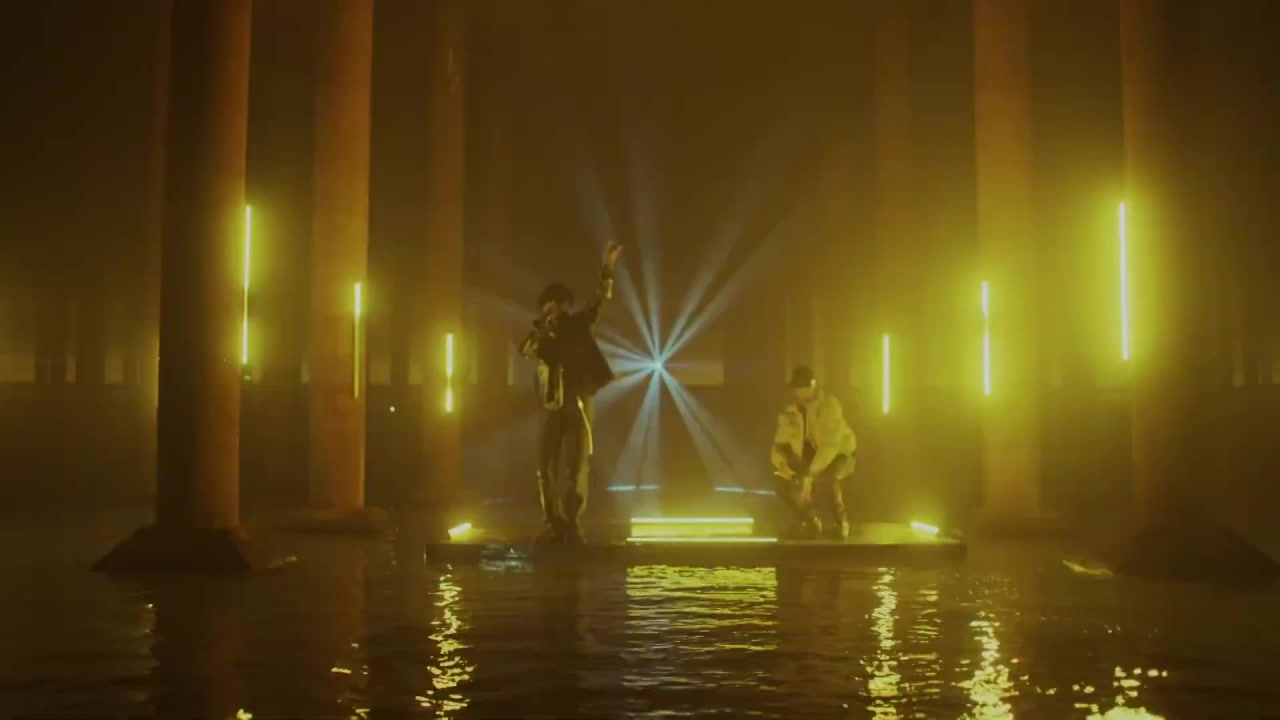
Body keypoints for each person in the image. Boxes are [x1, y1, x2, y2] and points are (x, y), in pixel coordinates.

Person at [520, 241, 624, 544]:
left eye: (557, 303)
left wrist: (608, 268)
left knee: (576, 467)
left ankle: (572, 524)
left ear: (566, 305)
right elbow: (525, 349)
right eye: (547, 304)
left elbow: (598, 303)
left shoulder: (578, 326)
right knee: (545, 469)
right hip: (550, 408)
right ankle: (554, 524)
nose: (552, 308)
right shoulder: (541, 336)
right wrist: (543, 327)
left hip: (577, 403)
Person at [770, 365, 857, 540]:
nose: (802, 392)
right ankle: (810, 519)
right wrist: (782, 463)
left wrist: (809, 477)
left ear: (813, 386)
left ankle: (840, 521)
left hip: (838, 453)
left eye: (806, 387)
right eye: (798, 388)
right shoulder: (789, 413)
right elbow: (779, 444)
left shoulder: (829, 406)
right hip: (808, 457)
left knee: (828, 478)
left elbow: (830, 446)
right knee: (780, 483)